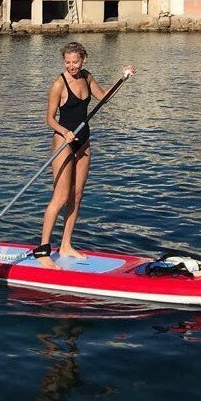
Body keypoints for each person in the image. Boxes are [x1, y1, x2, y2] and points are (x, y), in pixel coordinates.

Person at [34, 42, 135, 269]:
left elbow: (104, 97)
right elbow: (49, 119)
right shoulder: (58, 84)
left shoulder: (87, 77)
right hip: (64, 141)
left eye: (75, 61)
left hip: (84, 142)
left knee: (77, 196)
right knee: (60, 197)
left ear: (83, 60)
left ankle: (66, 245)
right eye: (67, 62)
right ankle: (42, 251)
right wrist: (64, 132)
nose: (71, 66)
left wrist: (123, 78)